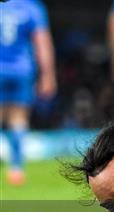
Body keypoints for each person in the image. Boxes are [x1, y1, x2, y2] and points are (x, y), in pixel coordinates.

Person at [0, 0, 56, 185]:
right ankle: (16, 168)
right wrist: (48, 74)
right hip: (21, 70)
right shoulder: (32, 8)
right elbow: (42, 42)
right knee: (18, 118)